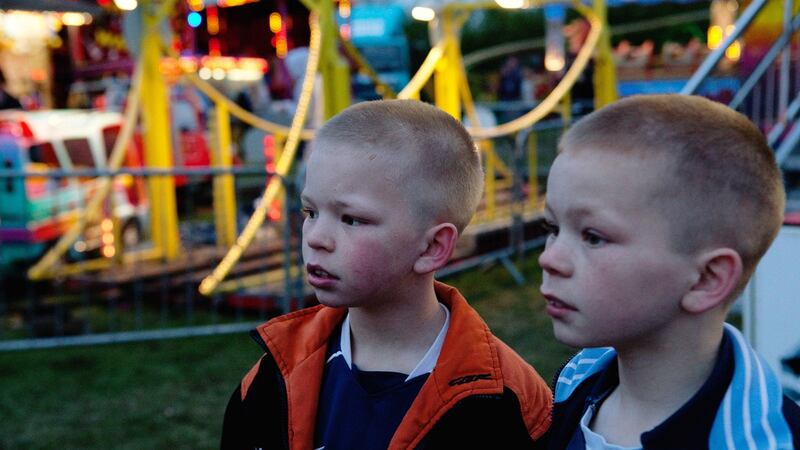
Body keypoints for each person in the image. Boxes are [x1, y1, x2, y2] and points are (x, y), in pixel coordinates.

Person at [221, 99, 553, 449]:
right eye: (310, 212)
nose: (316, 237)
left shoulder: (507, 403)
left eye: (351, 219)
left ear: (431, 247)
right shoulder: (274, 377)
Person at [539, 94, 800, 449]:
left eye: (593, 237)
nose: (550, 258)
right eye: (553, 228)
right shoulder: (575, 381)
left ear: (706, 279)